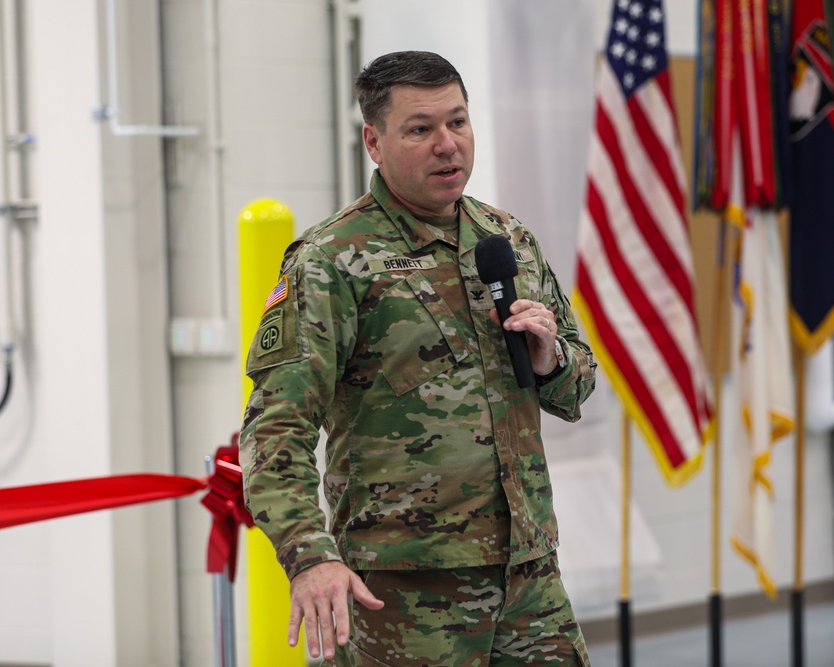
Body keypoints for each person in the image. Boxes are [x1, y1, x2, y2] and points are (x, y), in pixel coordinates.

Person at [240, 50, 596, 666]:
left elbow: (576, 389)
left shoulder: (505, 241)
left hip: (528, 575)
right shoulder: (333, 260)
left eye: (458, 122)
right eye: (421, 129)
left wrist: (549, 360)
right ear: (374, 143)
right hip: (402, 591)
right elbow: (275, 430)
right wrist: (310, 555)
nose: (447, 145)